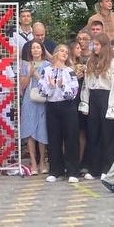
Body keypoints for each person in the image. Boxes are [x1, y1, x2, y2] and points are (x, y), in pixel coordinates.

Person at [39, 44, 81, 183]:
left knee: (71, 138)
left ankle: (72, 171)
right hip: (52, 106)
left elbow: (74, 92)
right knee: (54, 138)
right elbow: (42, 90)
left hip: (67, 106)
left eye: (67, 52)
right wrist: (50, 86)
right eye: (62, 51)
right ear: (56, 53)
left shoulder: (70, 71)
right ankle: (55, 170)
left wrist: (62, 86)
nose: (65, 54)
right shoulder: (46, 70)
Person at [82, 33, 114, 179]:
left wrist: (112, 105)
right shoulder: (90, 61)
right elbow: (86, 83)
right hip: (94, 96)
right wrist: (85, 102)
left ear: (104, 46)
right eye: (94, 45)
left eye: (97, 45)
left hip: (106, 97)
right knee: (94, 133)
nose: (94, 47)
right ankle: (94, 168)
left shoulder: (112, 62)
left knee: (108, 135)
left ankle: (108, 168)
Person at [20, 40, 49, 175]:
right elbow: (22, 86)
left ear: (42, 50)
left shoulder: (47, 65)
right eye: (33, 48)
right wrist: (29, 74)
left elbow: (48, 84)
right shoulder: (25, 65)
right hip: (29, 99)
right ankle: (33, 161)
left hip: (42, 99)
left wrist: (36, 74)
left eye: (38, 48)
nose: (36, 50)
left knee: (42, 129)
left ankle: (42, 160)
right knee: (30, 130)